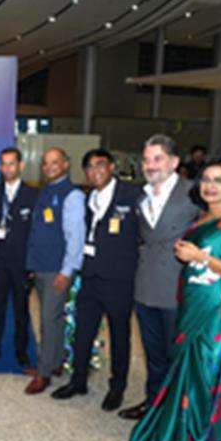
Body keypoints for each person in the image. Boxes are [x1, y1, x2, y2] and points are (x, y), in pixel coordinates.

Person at [130, 158, 221, 441]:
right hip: (191, 306)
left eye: (220, 180)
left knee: (209, 376)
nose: (210, 186)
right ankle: (181, 439)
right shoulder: (202, 219)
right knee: (186, 373)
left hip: (218, 314)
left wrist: (200, 256)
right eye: (206, 179)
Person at [51, 149, 141, 411]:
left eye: (100, 165)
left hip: (119, 279)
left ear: (111, 166)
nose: (94, 171)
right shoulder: (88, 197)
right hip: (90, 277)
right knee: (83, 332)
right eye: (89, 167)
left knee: (119, 335)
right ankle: (78, 381)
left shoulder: (132, 195)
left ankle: (117, 387)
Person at [119, 135, 199, 420]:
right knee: (153, 354)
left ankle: (178, 414)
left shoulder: (193, 193)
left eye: (157, 158)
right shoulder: (142, 196)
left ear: (174, 162)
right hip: (145, 285)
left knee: (177, 355)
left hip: (177, 287)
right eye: (146, 159)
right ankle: (154, 405)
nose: (150, 165)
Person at [25, 148, 86, 395]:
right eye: (45, 163)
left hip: (57, 270)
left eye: (54, 162)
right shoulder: (46, 191)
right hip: (40, 265)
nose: (49, 167)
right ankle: (56, 361)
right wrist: (32, 264)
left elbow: (76, 237)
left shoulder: (72, 195)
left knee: (47, 320)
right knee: (55, 318)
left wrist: (67, 271)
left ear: (66, 164)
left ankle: (44, 373)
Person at [0, 148, 38, 367]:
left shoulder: (33, 194)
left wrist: (32, 264)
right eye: (4, 164)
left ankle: (21, 350)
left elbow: (36, 232)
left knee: (21, 310)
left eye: (12, 163)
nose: (7, 168)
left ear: (20, 166)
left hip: (22, 263)